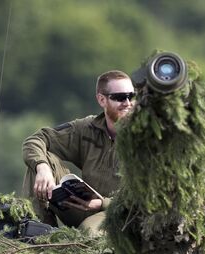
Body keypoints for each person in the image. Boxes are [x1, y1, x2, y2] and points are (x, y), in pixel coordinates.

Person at [22, 70, 134, 233]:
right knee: (40, 160)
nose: (128, 102)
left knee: (89, 232)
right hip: (80, 205)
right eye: (120, 97)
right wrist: (42, 167)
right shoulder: (87, 128)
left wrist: (103, 203)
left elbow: (148, 199)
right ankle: (39, 233)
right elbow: (36, 139)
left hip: (119, 213)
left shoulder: (145, 138)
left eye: (132, 96)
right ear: (102, 99)